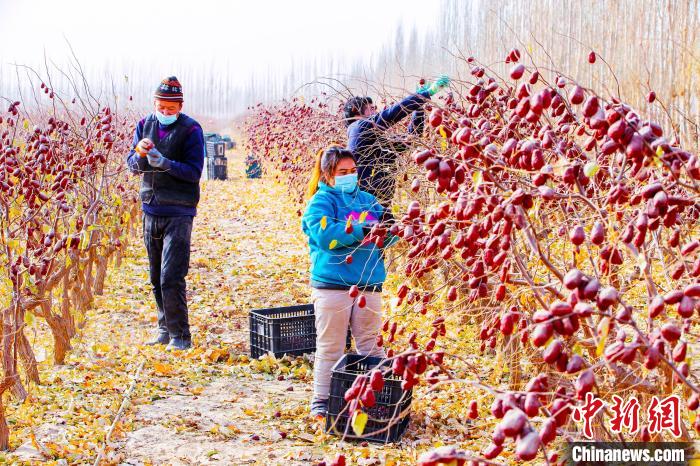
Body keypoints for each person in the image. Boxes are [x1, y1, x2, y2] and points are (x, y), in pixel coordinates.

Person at [301, 146, 398, 419]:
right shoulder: (321, 202)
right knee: (331, 346)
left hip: (369, 284)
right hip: (333, 285)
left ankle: (377, 401)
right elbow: (326, 236)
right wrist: (362, 230)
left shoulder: (368, 201)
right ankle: (321, 400)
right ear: (328, 174)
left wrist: (392, 229)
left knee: (371, 345)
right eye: (342, 172)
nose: (349, 176)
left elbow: (387, 236)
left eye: (353, 171)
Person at [126, 76, 205, 351]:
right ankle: (164, 329)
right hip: (151, 208)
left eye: (171, 108)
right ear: (155, 103)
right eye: (162, 106)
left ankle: (181, 336)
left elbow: (194, 172)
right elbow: (131, 165)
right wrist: (139, 155)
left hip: (179, 211)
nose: (165, 112)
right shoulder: (144, 125)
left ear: (180, 106)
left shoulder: (191, 130)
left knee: (171, 275)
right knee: (155, 275)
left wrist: (165, 163)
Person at [345, 75, 450, 207]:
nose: (375, 112)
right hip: (364, 209)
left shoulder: (373, 141)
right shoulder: (358, 128)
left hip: (379, 207)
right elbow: (391, 114)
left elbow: (411, 138)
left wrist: (418, 110)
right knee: (367, 226)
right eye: (371, 109)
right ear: (356, 111)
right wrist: (424, 94)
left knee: (385, 226)